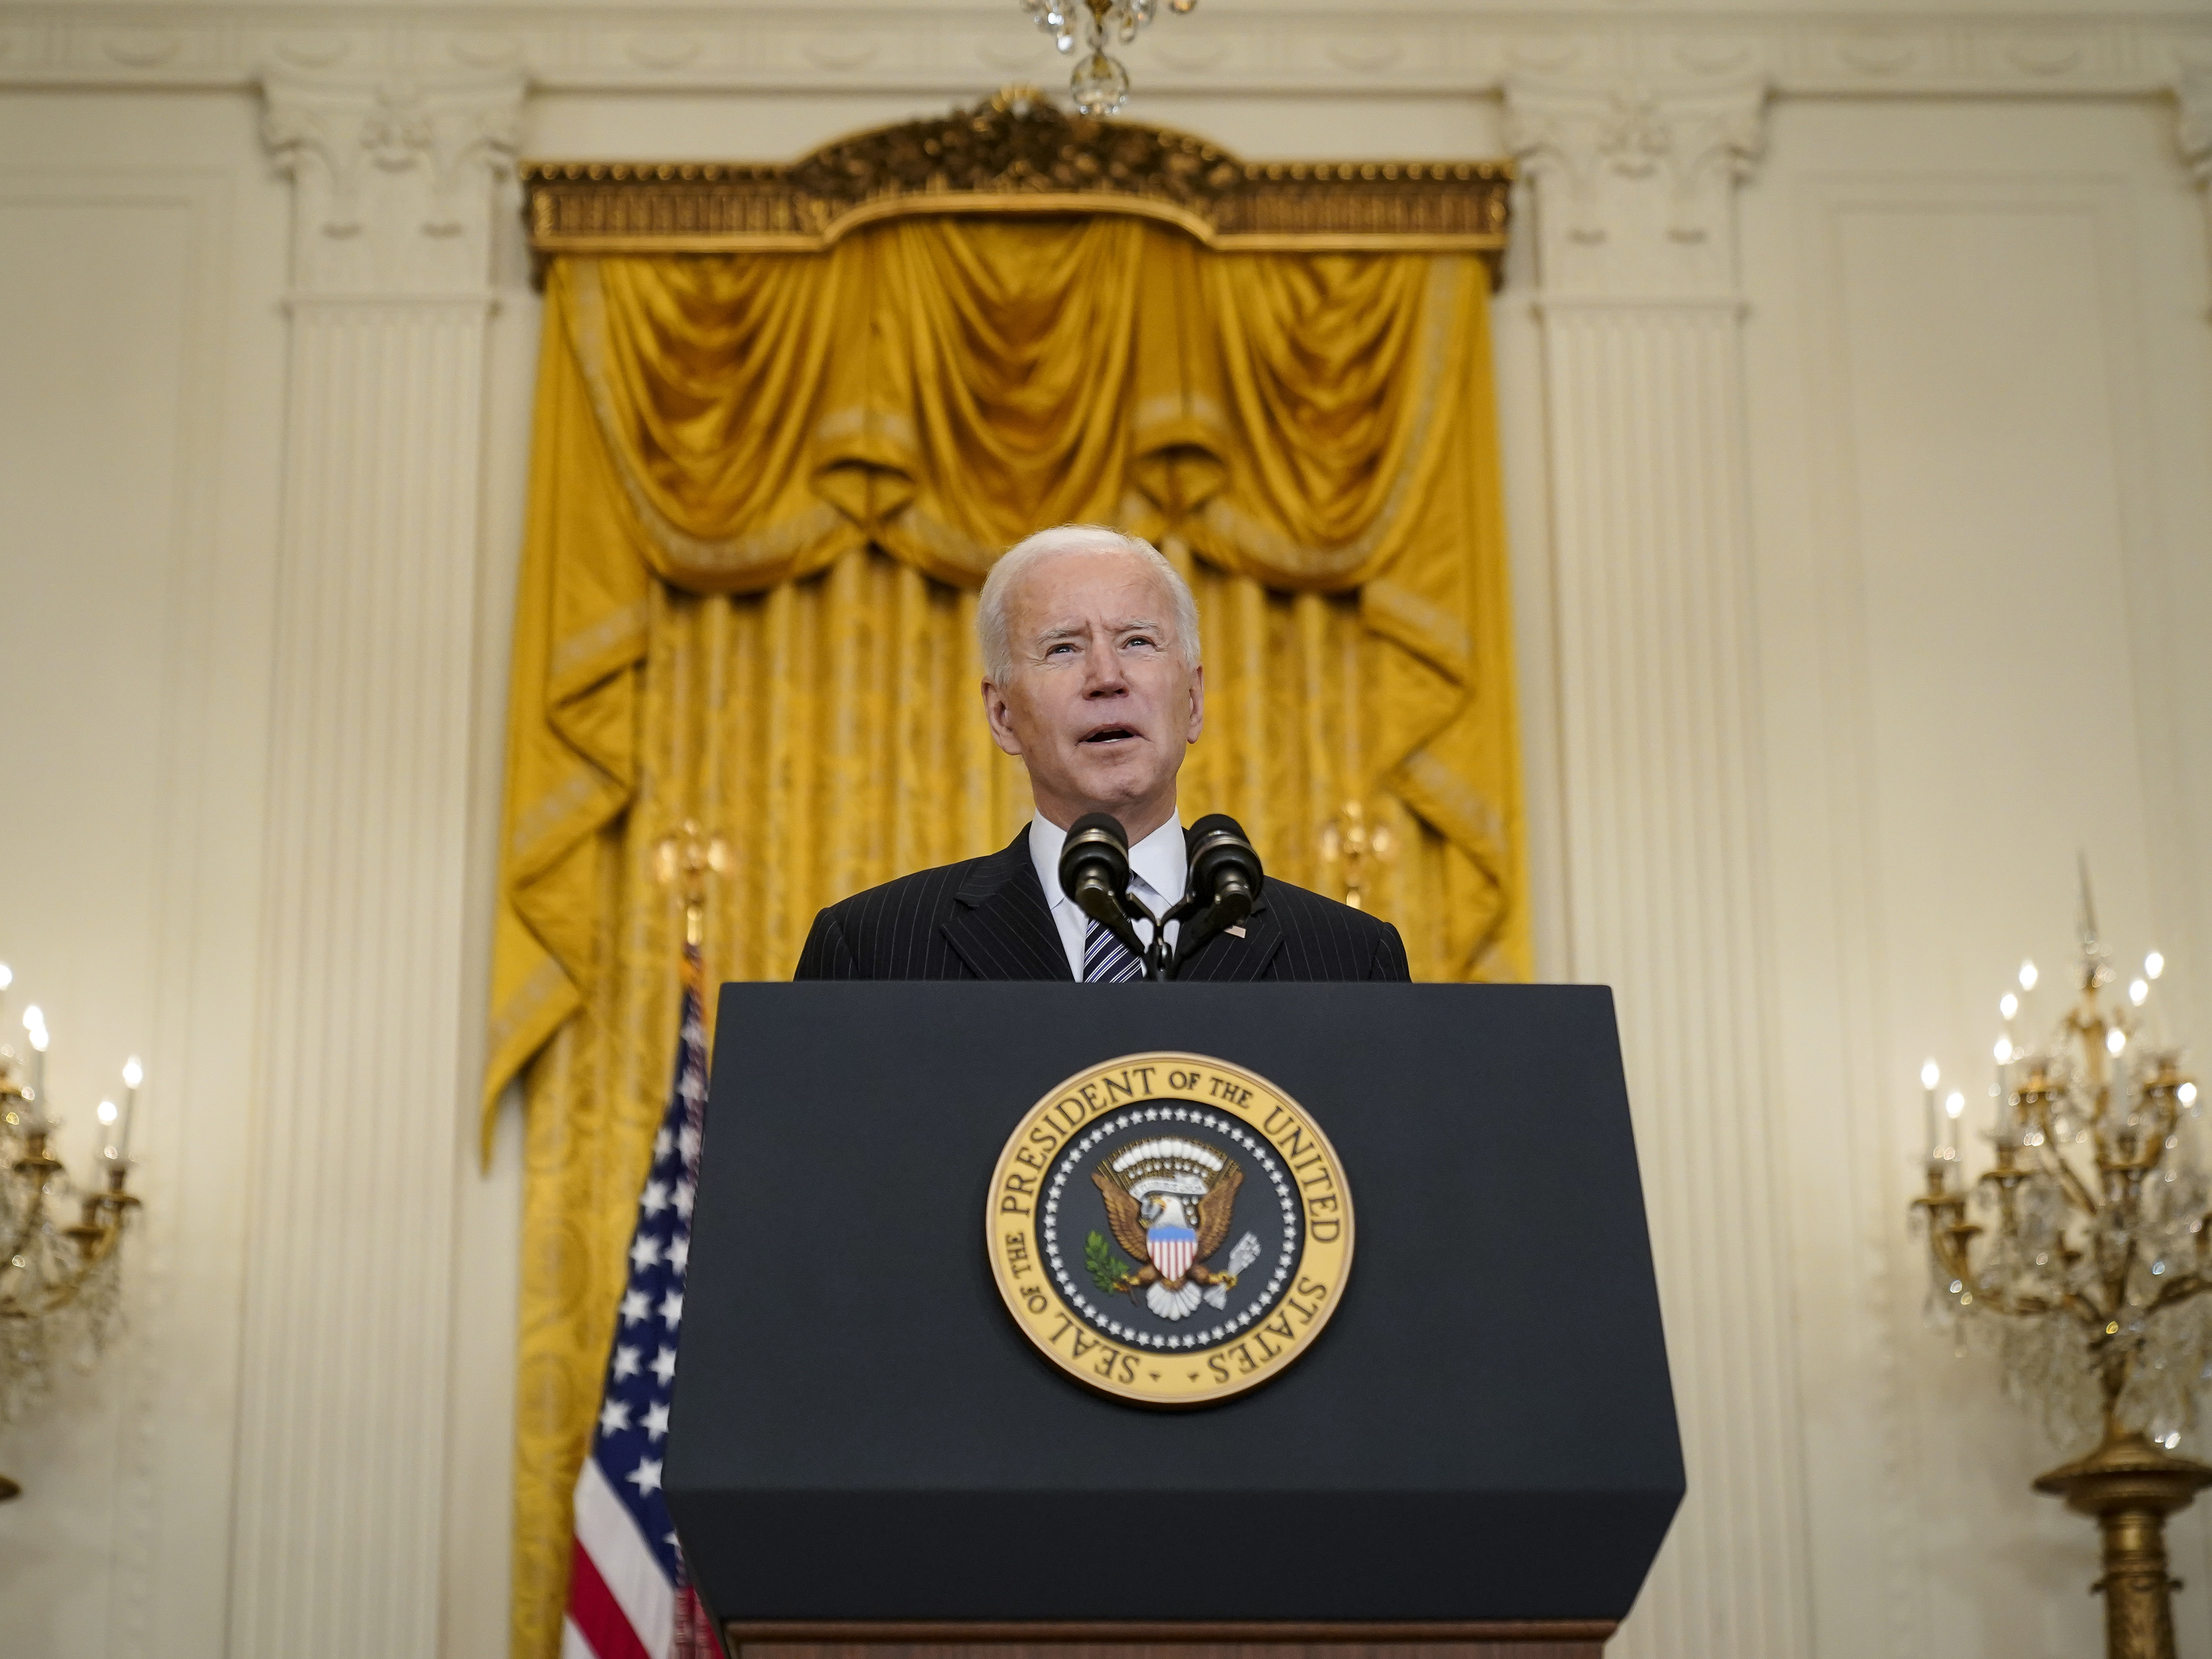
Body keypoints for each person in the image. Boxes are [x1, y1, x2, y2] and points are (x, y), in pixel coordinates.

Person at [793, 524, 1411, 982]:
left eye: (1138, 641)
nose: (1106, 676)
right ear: (1002, 714)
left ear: (1193, 701)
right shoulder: (873, 948)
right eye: (1063, 648)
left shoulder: (1347, 959)